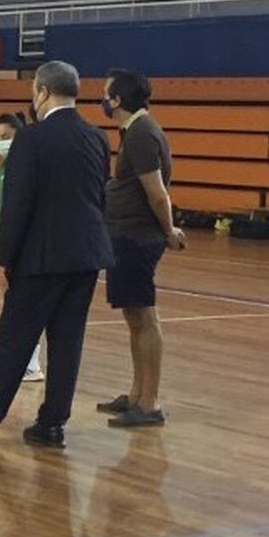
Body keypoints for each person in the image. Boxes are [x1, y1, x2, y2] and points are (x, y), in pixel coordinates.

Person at [0, 60, 113, 449]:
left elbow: (18, 204)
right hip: (85, 255)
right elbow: (99, 197)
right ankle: (51, 424)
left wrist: (4, 255)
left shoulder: (31, 139)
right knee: (67, 341)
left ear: (42, 92)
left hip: (40, 258)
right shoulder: (96, 137)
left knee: (14, 339)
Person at [97, 68, 185, 428]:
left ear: (117, 99)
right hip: (125, 234)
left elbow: (157, 193)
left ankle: (149, 403)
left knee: (145, 317)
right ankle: (135, 394)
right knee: (134, 317)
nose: (102, 98)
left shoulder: (142, 133)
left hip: (137, 237)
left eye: (106, 93)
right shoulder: (134, 132)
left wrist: (169, 230)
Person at [0, 113, 44, 384]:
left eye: (6, 137)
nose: (1, 143)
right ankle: (16, 361)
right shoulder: (2, 169)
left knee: (21, 306)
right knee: (10, 304)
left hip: (15, 246)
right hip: (1, 241)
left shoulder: (24, 167)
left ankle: (30, 364)